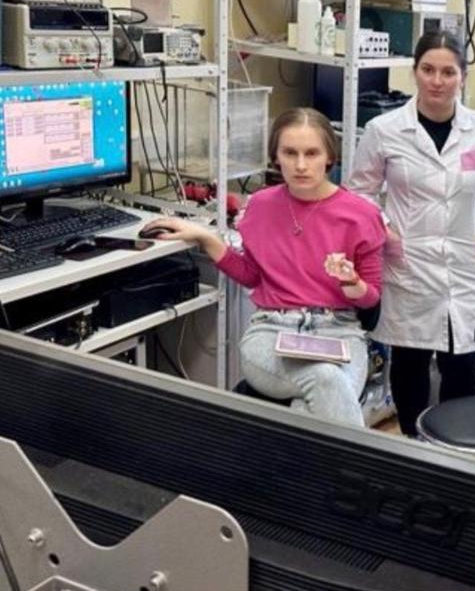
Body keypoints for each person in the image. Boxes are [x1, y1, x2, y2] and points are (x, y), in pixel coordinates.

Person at [142, 108, 385, 427]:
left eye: (311, 153)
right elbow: (252, 276)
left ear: (329, 157)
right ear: (276, 157)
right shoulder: (261, 205)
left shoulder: (361, 215)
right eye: (290, 153)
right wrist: (206, 238)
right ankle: (361, 461)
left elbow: (371, 298)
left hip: (339, 332)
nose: (300, 165)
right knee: (326, 380)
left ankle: (291, 459)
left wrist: (351, 282)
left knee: (312, 401)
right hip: (271, 332)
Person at [347, 30, 475, 437]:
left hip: (466, 264)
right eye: (428, 70)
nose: (437, 81)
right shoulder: (384, 130)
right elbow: (360, 191)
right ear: (415, 71)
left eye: (448, 72)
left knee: (463, 364)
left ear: (463, 77)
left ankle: (456, 449)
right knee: (410, 362)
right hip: (410, 264)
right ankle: (413, 444)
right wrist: (385, 229)